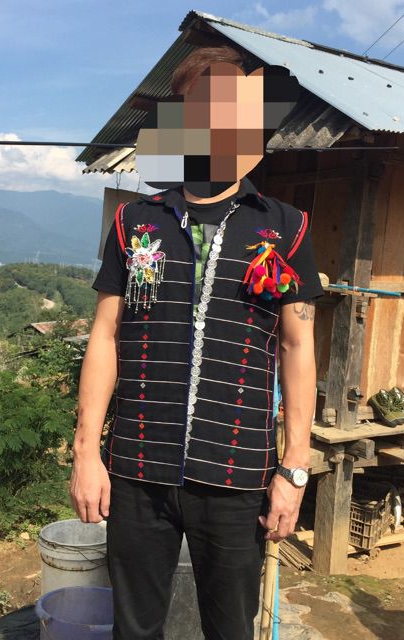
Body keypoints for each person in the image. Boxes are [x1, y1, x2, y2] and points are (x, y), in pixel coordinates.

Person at [69, 44, 324, 640]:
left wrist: (294, 469)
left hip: (237, 475)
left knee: (231, 629)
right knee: (134, 630)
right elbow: (105, 335)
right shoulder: (136, 223)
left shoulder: (285, 227)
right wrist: (86, 453)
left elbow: (297, 349)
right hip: (137, 469)